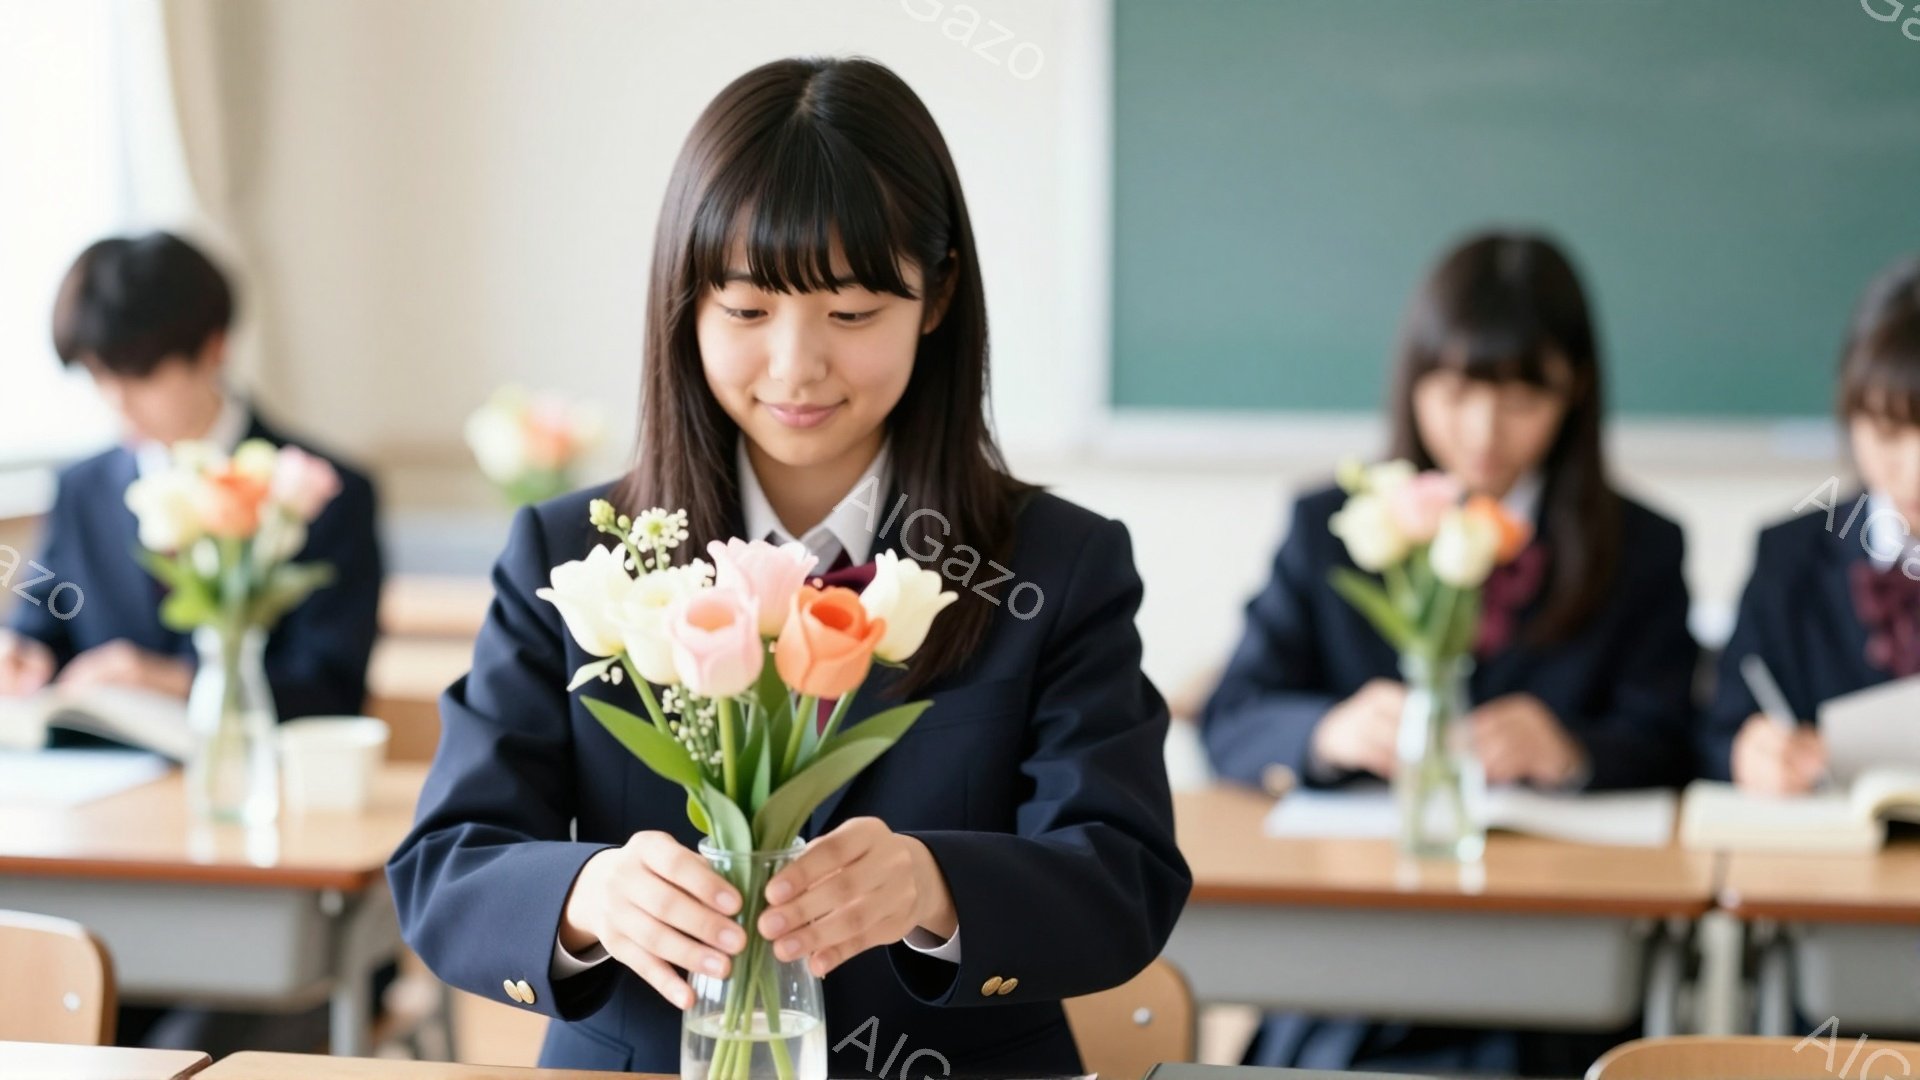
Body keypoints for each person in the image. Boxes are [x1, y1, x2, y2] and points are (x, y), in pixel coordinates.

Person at [387, 57, 1190, 1075]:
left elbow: (1122, 877)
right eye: (745, 310)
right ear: (685, 303)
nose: (796, 367)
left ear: (937, 296)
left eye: (851, 314)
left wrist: (933, 886)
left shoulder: (1054, 565)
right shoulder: (579, 560)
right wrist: (587, 897)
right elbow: (447, 867)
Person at [1203, 231, 1698, 1075]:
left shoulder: (1639, 548)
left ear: (1575, 390)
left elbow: (1679, 739)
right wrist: (1327, 732)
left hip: (1549, 975)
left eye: (1522, 398)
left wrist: (1572, 752)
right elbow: (1235, 714)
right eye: (1457, 391)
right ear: (1413, 381)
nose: (1482, 431)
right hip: (1350, 961)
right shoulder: (1333, 527)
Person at [1, 232, 384, 1053]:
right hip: (104, 845)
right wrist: (21, 653)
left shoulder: (322, 493)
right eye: (98, 376)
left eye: (138, 374)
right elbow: (44, 626)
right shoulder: (84, 487)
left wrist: (170, 677)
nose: (118, 402)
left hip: (267, 875)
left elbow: (329, 689)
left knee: (180, 1045)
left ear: (212, 349)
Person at [1701, 256, 1920, 793]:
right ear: (1850, 417)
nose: (1914, 473)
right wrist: (1749, 755)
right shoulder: (1788, 559)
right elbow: (1716, 732)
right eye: (1888, 433)